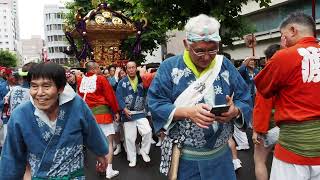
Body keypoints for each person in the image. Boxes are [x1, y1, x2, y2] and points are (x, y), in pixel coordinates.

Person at [148, 14, 252, 179]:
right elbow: (155, 103)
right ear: (186, 44)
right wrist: (187, 112)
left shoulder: (223, 64)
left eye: (212, 49)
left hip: (222, 156)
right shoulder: (169, 67)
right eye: (200, 50)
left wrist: (236, 111)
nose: (206, 56)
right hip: (186, 159)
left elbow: (244, 96)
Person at [0, 62, 109, 179]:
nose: (39, 93)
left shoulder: (76, 104)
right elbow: (12, 156)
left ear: (60, 88)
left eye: (46, 86)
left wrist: (100, 153)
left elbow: (91, 130)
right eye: (34, 86)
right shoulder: (20, 114)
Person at [255, 12, 320, 180]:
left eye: (282, 35)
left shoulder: (284, 56)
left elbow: (263, 87)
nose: (283, 40)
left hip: (293, 148)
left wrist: (284, 52)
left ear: (292, 30)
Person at [78, 61, 120, 179]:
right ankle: (109, 170)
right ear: (95, 68)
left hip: (88, 117)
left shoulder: (81, 80)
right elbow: (110, 95)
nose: (101, 70)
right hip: (102, 114)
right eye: (99, 68)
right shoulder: (100, 79)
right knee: (108, 143)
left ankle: (101, 165)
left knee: (96, 143)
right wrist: (116, 110)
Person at [116, 61, 152, 167]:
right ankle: (132, 158)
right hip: (128, 113)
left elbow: (148, 91)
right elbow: (118, 96)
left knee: (147, 131)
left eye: (133, 67)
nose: (131, 70)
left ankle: (144, 151)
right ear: (126, 70)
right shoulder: (122, 82)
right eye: (129, 68)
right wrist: (123, 108)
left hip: (140, 111)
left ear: (136, 68)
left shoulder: (142, 80)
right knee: (129, 138)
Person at [252, 44, 281, 180]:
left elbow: (261, 107)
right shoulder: (294, 72)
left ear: (267, 59)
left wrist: (256, 130)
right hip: (290, 126)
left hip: (270, 126)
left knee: (259, 160)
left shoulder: (267, 76)